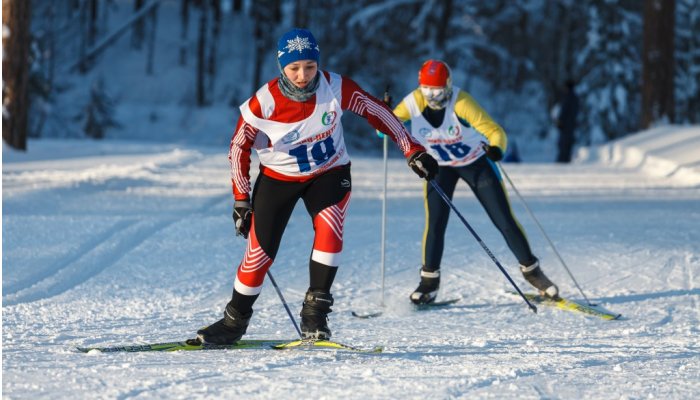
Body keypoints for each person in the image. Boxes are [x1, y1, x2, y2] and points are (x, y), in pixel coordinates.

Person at [195, 29, 438, 344]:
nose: (302, 75)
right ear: (282, 66)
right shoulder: (262, 103)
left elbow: (377, 111)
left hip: (329, 172)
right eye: (294, 68)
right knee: (259, 254)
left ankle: (315, 316)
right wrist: (241, 200)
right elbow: (238, 149)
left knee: (330, 229)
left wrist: (412, 149)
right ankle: (233, 322)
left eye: (309, 66)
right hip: (278, 179)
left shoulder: (334, 86)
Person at [390, 59, 559, 305]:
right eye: (427, 90)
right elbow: (387, 127)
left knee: (503, 220)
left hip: (475, 164)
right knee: (435, 224)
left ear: (448, 86)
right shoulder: (413, 102)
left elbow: (495, 131)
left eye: (437, 91)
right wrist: (383, 116)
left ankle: (533, 273)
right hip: (439, 168)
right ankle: (429, 283)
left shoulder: (461, 102)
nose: (432, 96)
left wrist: (496, 150)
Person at [555, 79, 579, 163]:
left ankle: (562, 161)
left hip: (565, 126)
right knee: (568, 144)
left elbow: (564, 111)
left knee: (563, 144)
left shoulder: (567, 97)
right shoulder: (575, 98)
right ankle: (566, 160)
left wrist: (560, 121)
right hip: (572, 125)